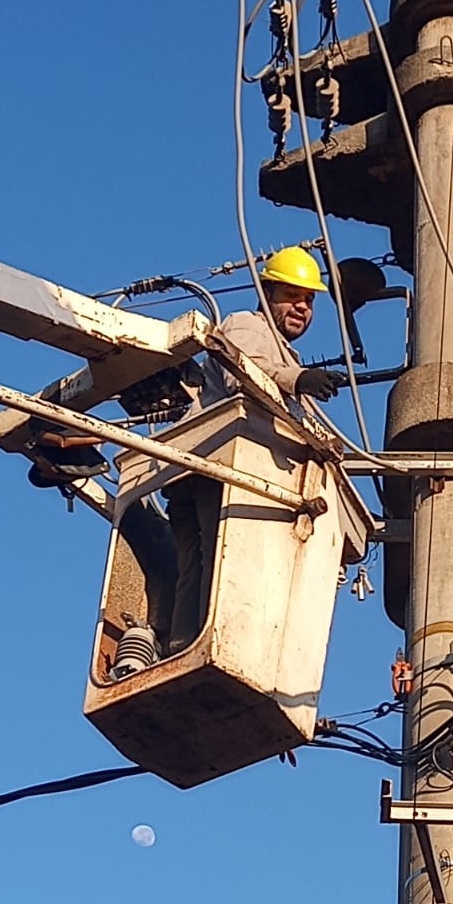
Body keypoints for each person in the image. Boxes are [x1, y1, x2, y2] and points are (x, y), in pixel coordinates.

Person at [158, 246, 346, 655]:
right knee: (220, 557)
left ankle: (185, 647)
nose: (302, 307)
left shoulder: (282, 351)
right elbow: (239, 372)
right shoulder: (247, 325)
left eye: (309, 300)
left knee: (203, 563)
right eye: (292, 296)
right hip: (215, 461)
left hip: (210, 463)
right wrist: (297, 379)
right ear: (266, 294)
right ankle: (207, 648)